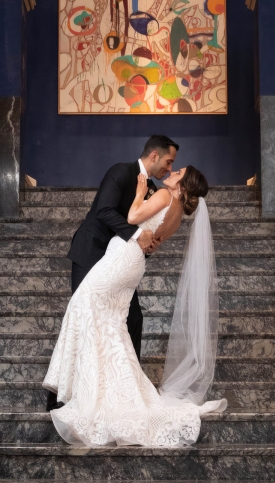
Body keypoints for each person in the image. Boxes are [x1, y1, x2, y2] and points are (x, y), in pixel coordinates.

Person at [42, 163, 227, 447]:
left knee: (83, 305)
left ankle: (87, 390)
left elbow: (132, 216)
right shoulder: (178, 214)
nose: (172, 172)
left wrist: (140, 193)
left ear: (184, 185)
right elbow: (153, 242)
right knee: (110, 322)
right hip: (133, 263)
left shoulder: (165, 196)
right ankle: (101, 386)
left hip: (123, 257)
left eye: (178, 173)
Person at [45, 134, 179, 412]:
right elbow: (104, 211)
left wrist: (150, 242)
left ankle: (124, 391)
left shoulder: (154, 190)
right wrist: (137, 234)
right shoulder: (121, 171)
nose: (169, 168)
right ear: (154, 156)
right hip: (92, 250)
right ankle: (64, 396)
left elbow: (147, 224)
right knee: (85, 316)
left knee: (133, 318)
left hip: (118, 261)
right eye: (168, 162)